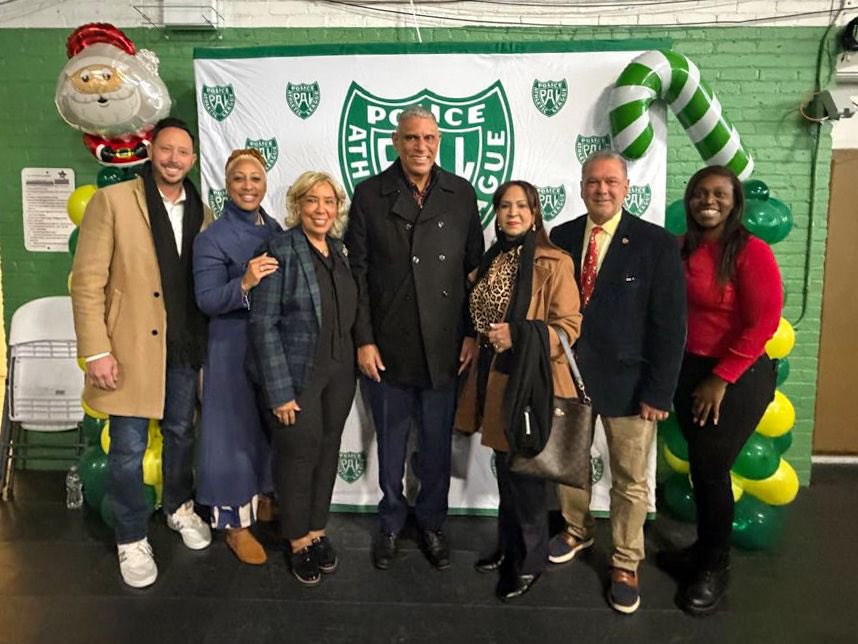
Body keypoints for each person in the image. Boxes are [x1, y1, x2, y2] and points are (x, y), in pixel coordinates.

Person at [71, 117, 212, 588]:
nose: (174, 159)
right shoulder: (114, 201)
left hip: (183, 346)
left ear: (192, 159)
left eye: (183, 152)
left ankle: (178, 506)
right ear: (151, 151)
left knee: (181, 433)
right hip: (128, 348)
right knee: (128, 448)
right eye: (166, 149)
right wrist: (97, 351)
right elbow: (87, 282)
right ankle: (131, 536)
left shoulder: (202, 211)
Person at [344, 106, 484, 570]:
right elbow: (358, 274)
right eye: (410, 138)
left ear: (438, 142)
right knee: (390, 444)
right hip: (387, 345)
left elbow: (475, 273)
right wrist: (364, 340)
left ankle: (431, 523)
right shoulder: (369, 195)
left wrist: (471, 334)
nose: (420, 146)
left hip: (446, 344)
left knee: (436, 444)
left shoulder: (461, 194)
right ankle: (389, 523)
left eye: (428, 138)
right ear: (395, 142)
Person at [548, 150, 687, 614]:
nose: (601, 189)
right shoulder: (563, 237)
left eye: (611, 182)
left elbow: (670, 326)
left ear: (627, 188)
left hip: (631, 386)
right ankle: (577, 529)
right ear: (581, 187)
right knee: (569, 465)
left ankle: (626, 561)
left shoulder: (656, 243)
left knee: (629, 480)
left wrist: (658, 392)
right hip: (569, 378)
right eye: (593, 181)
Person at [658, 166, 782, 615]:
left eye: (718, 194)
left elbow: (764, 323)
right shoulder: (681, 249)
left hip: (737, 376)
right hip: (690, 370)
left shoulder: (752, 252)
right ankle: (703, 549)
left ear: (734, 202)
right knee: (701, 466)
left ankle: (714, 567)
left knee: (711, 469)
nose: (707, 201)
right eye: (699, 193)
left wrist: (721, 378)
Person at [455, 181, 581, 601]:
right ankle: (509, 547)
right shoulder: (492, 259)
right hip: (493, 377)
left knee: (527, 478)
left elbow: (569, 327)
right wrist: (476, 338)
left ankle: (530, 562)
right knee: (507, 472)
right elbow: (481, 316)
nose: (513, 213)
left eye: (521, 206)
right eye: (505, 206)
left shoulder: (554, 261)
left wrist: (521, 335)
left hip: (531, 380)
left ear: (535, 213)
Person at [248, 171, 357, 586]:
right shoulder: (279, 249)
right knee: (297, 456)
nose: (321, 209)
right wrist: (279, 392)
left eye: (329, 202)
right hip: (297, 376)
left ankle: (316, 529)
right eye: (312, 200)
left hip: (340, 372)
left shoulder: (339, 250)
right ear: (297, 205)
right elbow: (263, 324)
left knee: (327, 452)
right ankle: (296, 539)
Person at [193, 148, 281, 565]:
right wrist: (244, 282)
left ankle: (263, 497)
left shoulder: (275, 228)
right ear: (226, 186)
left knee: (266, 428)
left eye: (255, 178)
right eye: (239, 179)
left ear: (265, 183)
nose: (248, 186)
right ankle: (234, 526)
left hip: (270, 345)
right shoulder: (211, 238)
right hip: (231, 345)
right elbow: (207, 299)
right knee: (231, 435)